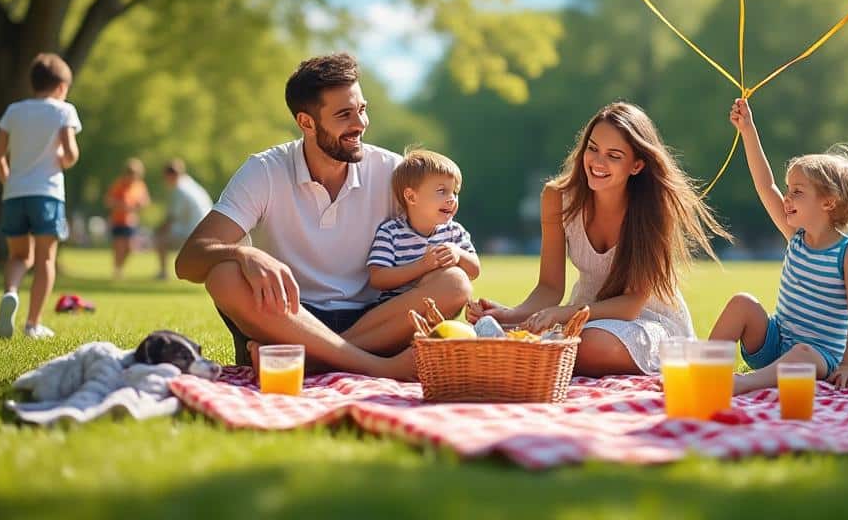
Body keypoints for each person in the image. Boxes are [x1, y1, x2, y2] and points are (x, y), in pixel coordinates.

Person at [175, 53, 469, 379]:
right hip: (288, 316)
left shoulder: (393, 173)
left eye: (362, 109)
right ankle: (379, 367)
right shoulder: (264, 171)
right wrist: (243, 253)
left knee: (454, 282)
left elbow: (442, 240)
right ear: (306, 122)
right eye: (344, 115)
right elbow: (188, 261)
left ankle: (310, 363)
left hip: (374, 318)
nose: (359, 124)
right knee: (223, 275)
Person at [466, 101, 729, 376]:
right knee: (573, 340)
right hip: (584, 319)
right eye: (593, 149)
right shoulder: (557, 198)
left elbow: (631, 305)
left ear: (637, 165)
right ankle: (519, 350)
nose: (598, 162)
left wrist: (563, 314)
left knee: (588, 344)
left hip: (647, 322)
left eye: (614, 155)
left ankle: (523, 355)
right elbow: (549, 287)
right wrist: (510, 315)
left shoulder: (654, 208)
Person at [709, 98, 848, 392]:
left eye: (797, 191)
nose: (786, 197)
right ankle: (703, 370)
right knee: (742, 302)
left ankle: (743, 384)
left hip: (818, 358)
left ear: (828, 202)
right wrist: (748, 130)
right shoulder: (795, 237)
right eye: (788, 190)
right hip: (775, 342)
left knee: (804, 354)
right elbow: (764, 185)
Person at [0, 53, 82, 339]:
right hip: (47, 194)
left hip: (15, 193)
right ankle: (33, 323)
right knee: (45, 259)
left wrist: (9, 180)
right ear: (61, 87)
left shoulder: (14, 111)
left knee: (18, 255)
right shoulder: (63, 111)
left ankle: (11, 292)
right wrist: (61, 158)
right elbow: (70, 155)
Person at [366, 149, 480, 296]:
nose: (452, 198)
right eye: (441, 191)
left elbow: (475, 271)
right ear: (412, 197)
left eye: (455, 192)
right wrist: (422, 266)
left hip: (439, 310)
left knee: (456, 280)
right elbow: (378, 279)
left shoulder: (454, 232)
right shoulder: (391, 233)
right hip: (400, 309)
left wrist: (459, 254)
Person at [154, 159, 212, 281]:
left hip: (193, 230)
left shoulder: (180, 189)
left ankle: (163, 273)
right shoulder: (189, 183)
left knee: (159, 238)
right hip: (206, 227)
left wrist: (158, 230)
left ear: (170, 175)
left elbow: (172, 218)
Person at [105, 158, 150, 280]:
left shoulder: (140, 185)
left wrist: (140, 205)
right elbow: (109, 201)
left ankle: (119, 267)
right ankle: (117, 271)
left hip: (131, 222)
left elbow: (145, 201)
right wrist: (121, 206)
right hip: (118, 220)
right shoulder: (119, 184)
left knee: (130, 248)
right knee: (119, 247)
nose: (132, 176)